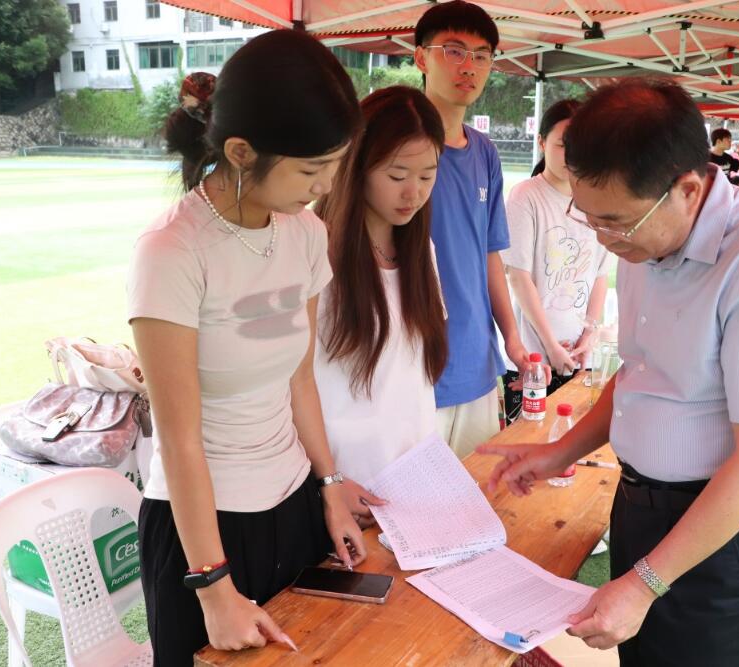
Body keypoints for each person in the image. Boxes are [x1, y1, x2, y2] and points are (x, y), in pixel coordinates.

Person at [479, 80, 739, 666]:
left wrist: (644, 584)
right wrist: (561, 452)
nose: (605, 239)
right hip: (643, 506)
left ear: (688, 190)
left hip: (729, 531)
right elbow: (642, 373)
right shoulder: (645, 238)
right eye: (590, 218)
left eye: (615, 223)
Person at [127, 31, 366, 663]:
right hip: (204, 533)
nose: (326, 184)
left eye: (335, 164)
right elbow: (179, 438)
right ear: (240, 152)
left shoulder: (305, 232)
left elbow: (300, 380)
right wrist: (213, 586)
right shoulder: (172, 251)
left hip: (292, 504)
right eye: (311, 169)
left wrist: (330, 487)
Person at [313, 86, 448, 523]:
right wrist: (329, 481)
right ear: (358, 164)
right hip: (344, 491)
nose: (413, 193)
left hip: (415, 485)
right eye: (397, 175)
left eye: (427, 176)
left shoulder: (420, 251)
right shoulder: (314, 251)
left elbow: (414, 377)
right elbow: (290, 386)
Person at [413, 1, 543, 458]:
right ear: (421, 57)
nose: (468, 66)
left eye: (482, 55)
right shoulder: (398, 148)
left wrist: (512, 338)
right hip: (414, 366)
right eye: (453, 51)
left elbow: (491, 254)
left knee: (477, 489)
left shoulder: (485, 153)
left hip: (477, 360)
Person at [501, 99, 610, 420]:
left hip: (580, 356)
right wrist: (550, 345)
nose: (572, 156)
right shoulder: (526, 196)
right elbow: (518, 276)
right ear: (541, 142)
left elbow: (600, 275)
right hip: (533, 361)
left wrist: (589, 334)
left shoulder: (598, 200)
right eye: (563, 145)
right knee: (527, 441)